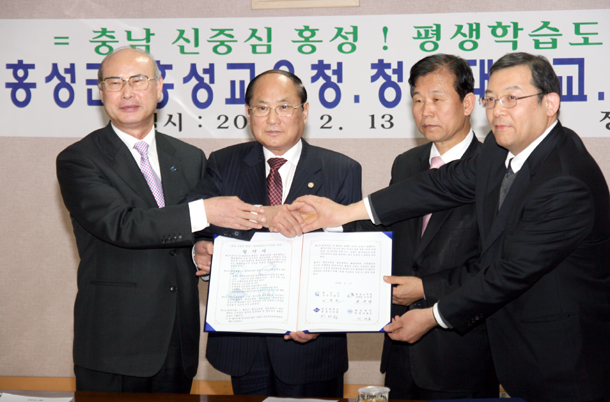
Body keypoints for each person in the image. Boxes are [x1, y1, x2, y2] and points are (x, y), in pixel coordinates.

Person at [289, 52, 610, 402]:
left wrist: (433, 315)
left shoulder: (564, 180)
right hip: (521, 354)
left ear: (550, 103)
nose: (497, 111)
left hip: (565, 361)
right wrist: (344, 213)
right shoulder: (499, 149)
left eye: (512, 98)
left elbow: (509, 272)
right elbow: (441, 184)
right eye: (492, 99)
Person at [56, 47, 263, 394]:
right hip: (114, 345)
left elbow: (183, 232)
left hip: (177, 342)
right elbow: (122, 225)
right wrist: (205, 211)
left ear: (159, 87)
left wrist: (200, 249)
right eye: (115, 82)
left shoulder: (189, 157)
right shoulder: (80, 159)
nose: (127, 92)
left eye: (138, 80)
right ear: (101, 92)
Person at [185, 69, 362, 398]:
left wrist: (319, 321)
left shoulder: (341, 169)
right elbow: (192, 218)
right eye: (262, 108)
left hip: (311, 344)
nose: (272, 119)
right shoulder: (223, 163)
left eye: (284, 107)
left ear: (304, 111)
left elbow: (348, 255)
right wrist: (202, 245)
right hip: (244, 341)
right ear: (248, 113)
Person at [345, 54, 497, 400]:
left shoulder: (492, 168)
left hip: (462, 356)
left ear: (467, 104)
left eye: (437, 99)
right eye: (417, 100)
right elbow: (384, 233)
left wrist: (426, 288)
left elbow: (495, 266)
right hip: (401, 350)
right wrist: (325, 234)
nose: (426, 111)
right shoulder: (406, 164)